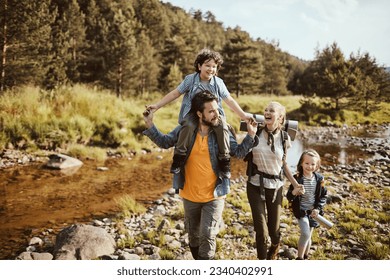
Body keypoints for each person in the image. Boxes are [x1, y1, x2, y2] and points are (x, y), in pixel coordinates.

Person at [143, 90, 257, 260]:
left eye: (217, 109)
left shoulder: (222, 131)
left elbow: (238, 153)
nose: (216, 114)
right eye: (211, 111)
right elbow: (165, 142)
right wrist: (149, 123)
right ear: (199, 113)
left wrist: (251, 134)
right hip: (190, 195)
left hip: (215, 195)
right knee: (193, 236)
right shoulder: (186, 129)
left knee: (207, 234)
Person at [145, 48, 253, 180]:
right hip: (192, 113)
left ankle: (224, 160)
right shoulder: (190, 80)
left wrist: (242, 115)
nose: (211, 69)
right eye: (207, 65)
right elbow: (175, 93)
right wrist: (157, 106)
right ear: (199, 66)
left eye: (214, 66)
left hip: (215, 116)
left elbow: (229, 100)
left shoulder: (218, 83)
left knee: (223, 127)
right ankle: (179, 157)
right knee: (188, 126)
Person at [244, 101, 303, 260]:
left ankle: (275, 245)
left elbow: (283, 164)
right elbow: (241, 150)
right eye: (265, 110)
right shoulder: (255, 132)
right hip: (254, 185)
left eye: (271, 110)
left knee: (274, 230)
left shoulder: (284, 138)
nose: (267, 112)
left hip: (276, 187)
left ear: (280, 118)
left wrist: (295, 184)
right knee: (261, 230)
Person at [286, 149, 327, 260]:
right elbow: (289, 196)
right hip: (301, 211)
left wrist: (318, 208)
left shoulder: (319, 179)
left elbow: (323, 196)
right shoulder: (297, 178)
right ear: (301, 163)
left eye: (313, 164)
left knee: (309, 236)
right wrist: (294, 192)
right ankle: (299, 258)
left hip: (314, 213)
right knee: (305, 233)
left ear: (317, 165)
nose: (310, 166)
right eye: (307, 163)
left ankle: (305, 256)